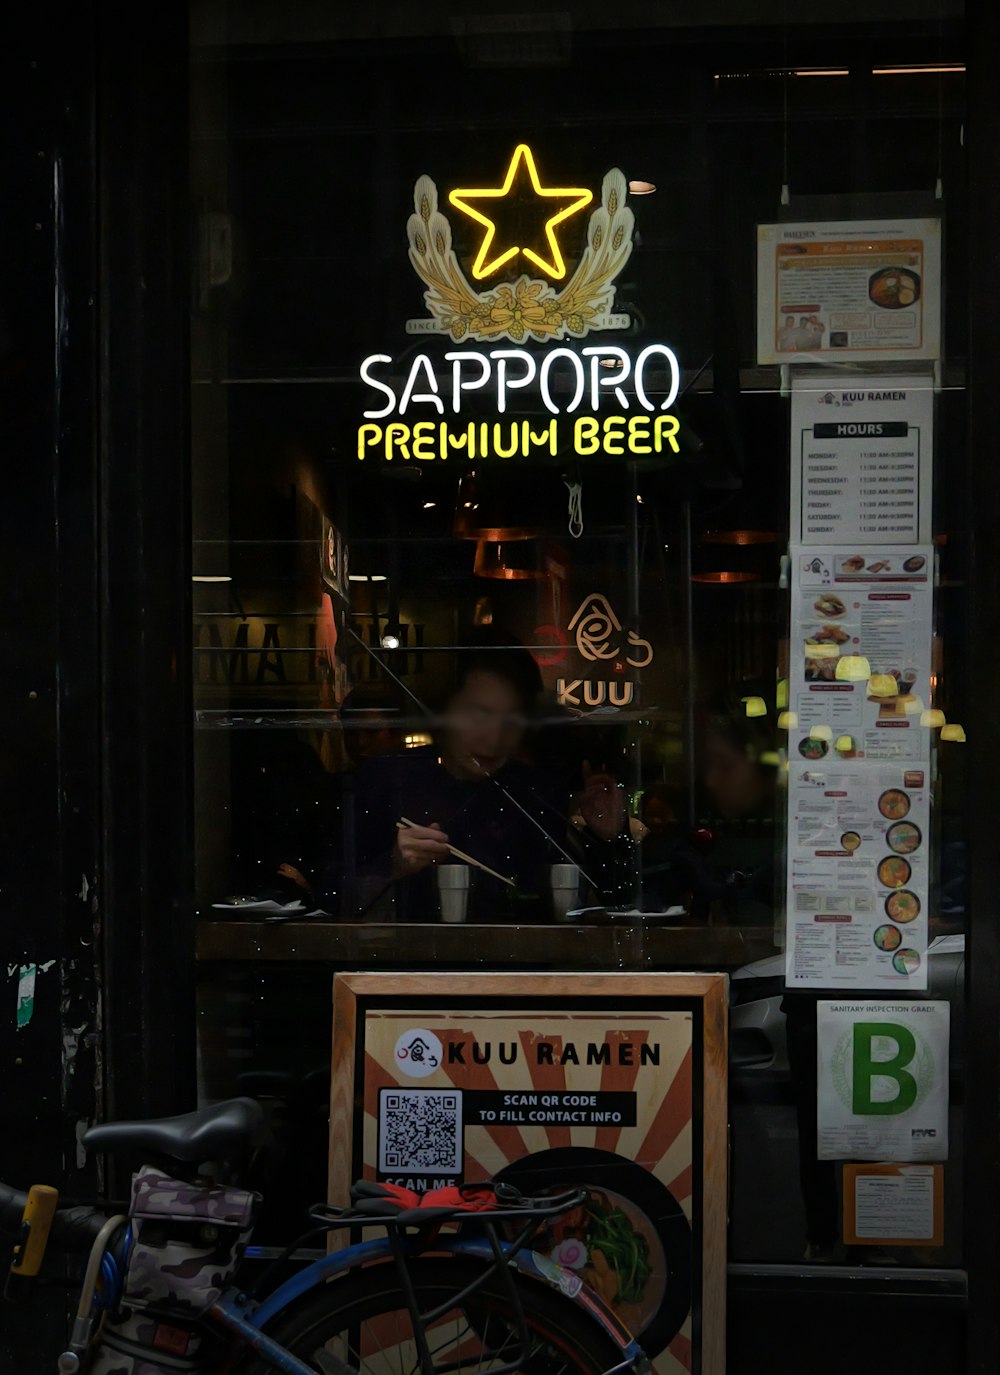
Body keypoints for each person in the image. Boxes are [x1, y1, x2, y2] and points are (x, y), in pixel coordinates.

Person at [335, 634, 635, 922]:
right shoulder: (388, 778)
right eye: (479, 715)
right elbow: (330, 895)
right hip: (409, 967)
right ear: (444, 712)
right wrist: (391, 866)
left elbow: (610, 911)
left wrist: (608, 840)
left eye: (510, 720)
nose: (494, 738)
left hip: (519, 969)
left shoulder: (535, 792)